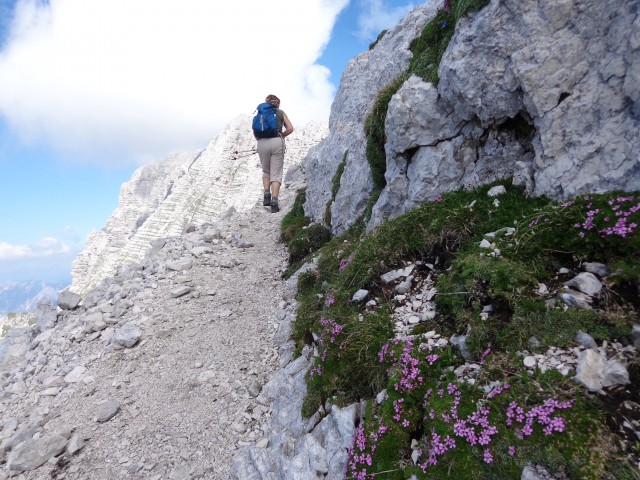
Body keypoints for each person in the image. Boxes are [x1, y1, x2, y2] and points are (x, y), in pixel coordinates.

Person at [255, 94, 294, 213]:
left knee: (266, 171)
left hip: (261, 143)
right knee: (276, 173)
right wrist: (281, 135)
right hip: (277, 142)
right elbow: (290, 128)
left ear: (266, 102)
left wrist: (262, 141)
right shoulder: (280, 113)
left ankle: (267, 194)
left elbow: (255, 133)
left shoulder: (259, 115)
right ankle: (274, 201)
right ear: (278, 103)